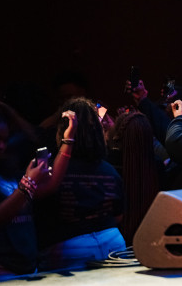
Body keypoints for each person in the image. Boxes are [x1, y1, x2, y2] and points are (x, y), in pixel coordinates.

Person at [0, 99, 76, 282]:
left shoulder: (7, 172)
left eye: (4, 139)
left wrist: (68, 140)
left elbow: (49, 186)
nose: (1, 146)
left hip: (22, 271)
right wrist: (27, 183)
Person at [36, 97, 125, 270]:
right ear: (98, 131)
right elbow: (118, 215)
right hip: (113, 243)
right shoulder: (110, 171)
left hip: (69, 248)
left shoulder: (53, 172)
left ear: (63, 130)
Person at [107, 111, 161, 242]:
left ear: (118, 136)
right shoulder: (158, 165)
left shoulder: (109, 164)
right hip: (152, 238)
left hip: (116, 239)